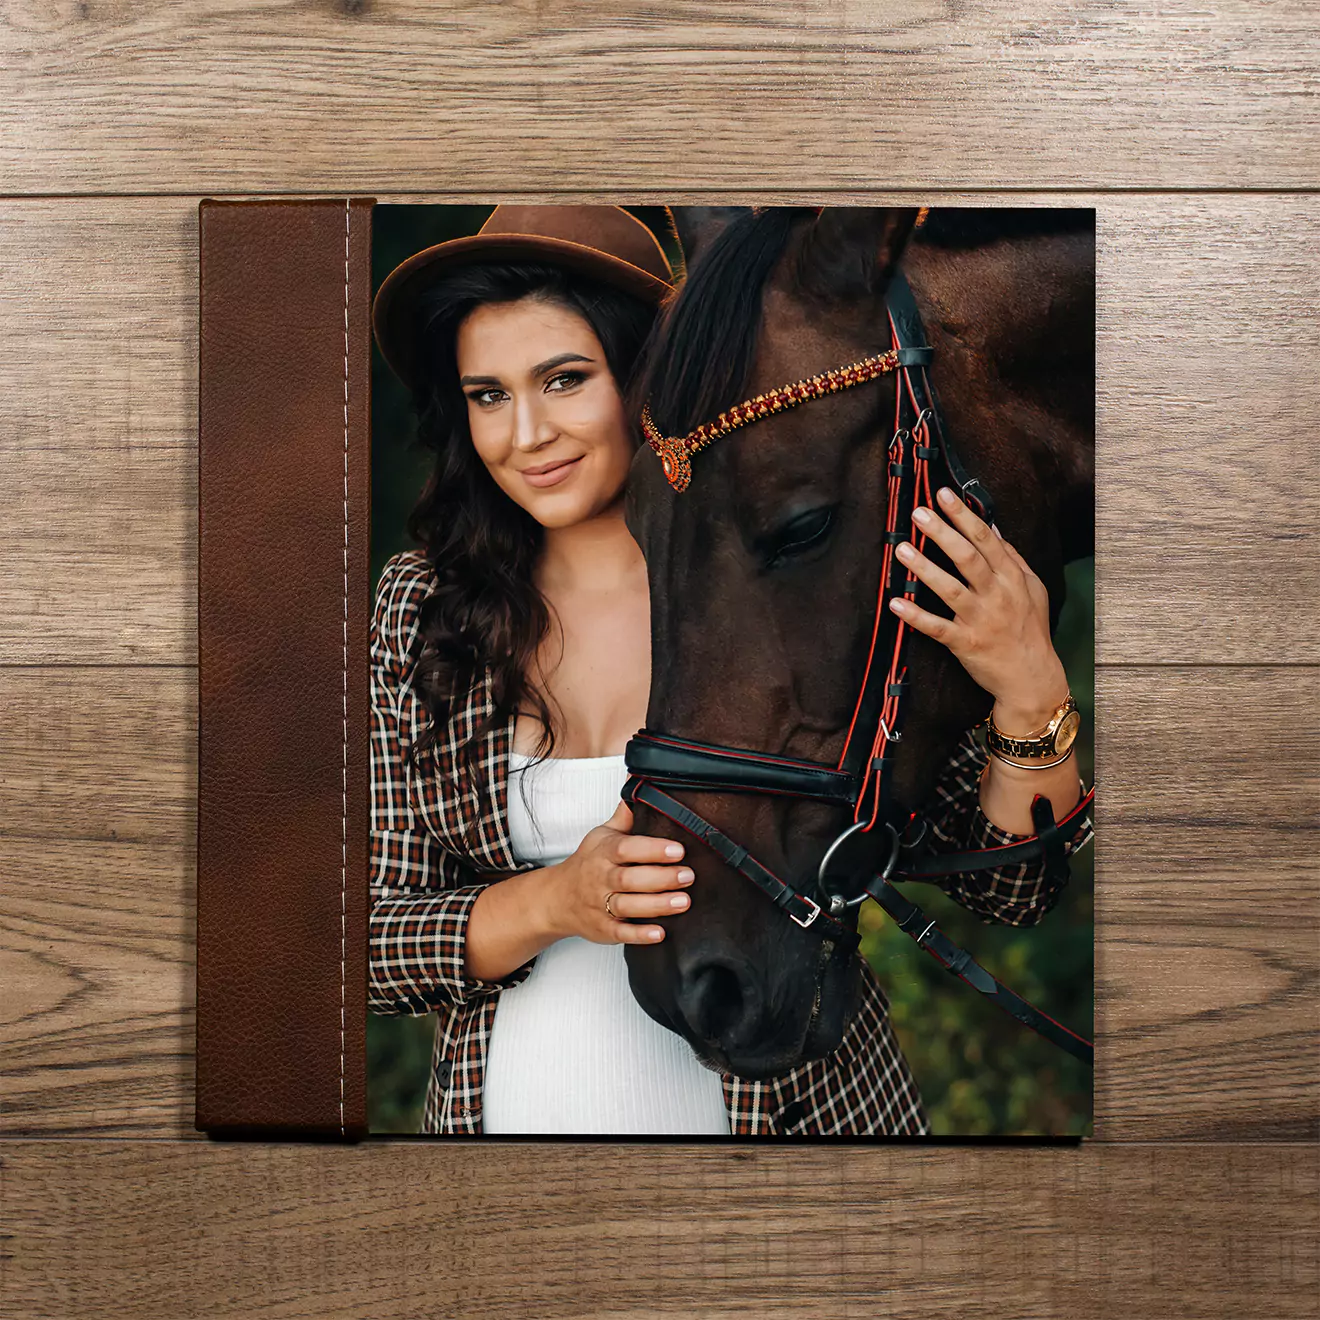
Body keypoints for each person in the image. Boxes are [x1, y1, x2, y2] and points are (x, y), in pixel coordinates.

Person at [368, 204, 1094, 1136]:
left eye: (564, 379)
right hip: (499, 1157)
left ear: (649, 377)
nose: (528, 433)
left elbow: (1010, 886)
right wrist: (556, 900)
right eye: (489, 395)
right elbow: (366, 942)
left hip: (803, 1141)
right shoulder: (423, 608)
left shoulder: (779, 580)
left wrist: (1030, 688)